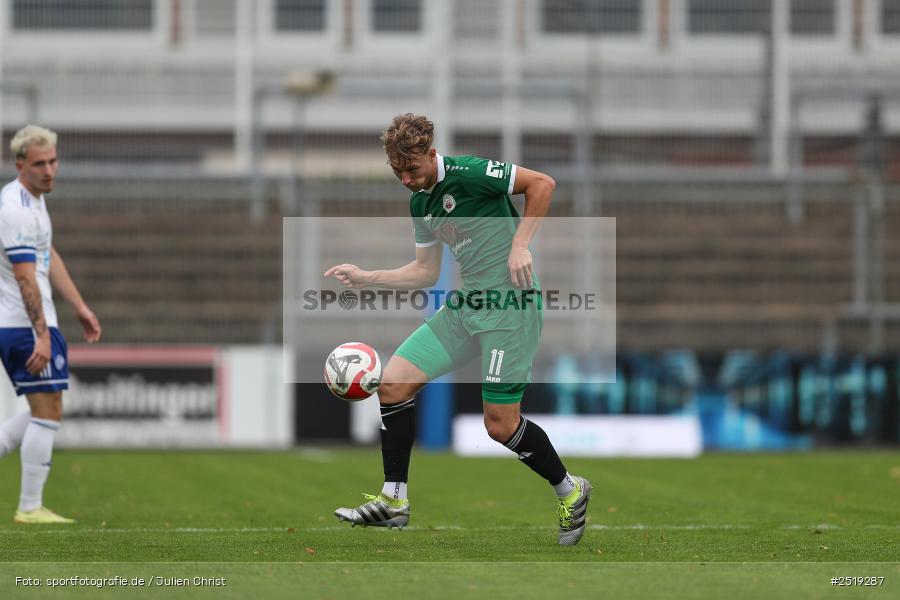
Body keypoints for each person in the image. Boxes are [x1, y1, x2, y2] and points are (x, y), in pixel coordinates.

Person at [325, 114, 591, 545]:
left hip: (510, 307)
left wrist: (520, 244)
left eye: (412, 168)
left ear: (432, 154)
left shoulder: (469, 172)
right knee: (392, 384)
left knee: (500, 425)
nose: (407, 179)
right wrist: (367, 276)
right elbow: (425, 271)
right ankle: (394, 501)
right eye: (398, 172)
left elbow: (542, 184)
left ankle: (570, 490)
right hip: (467, 307)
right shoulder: (421, 204)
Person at [0, 125, 101, 524]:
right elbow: (25, 277)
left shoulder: (34, 203)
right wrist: (41, 334)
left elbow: (48, 255)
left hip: (32, 322)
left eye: (53, 161)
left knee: (47, 408)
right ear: (20, 165)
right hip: (23, 324)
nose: (48, 170)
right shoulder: (17, 210)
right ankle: (30, 507)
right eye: (39, 164)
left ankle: (31, 505)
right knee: (47, 411)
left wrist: (79, 305)